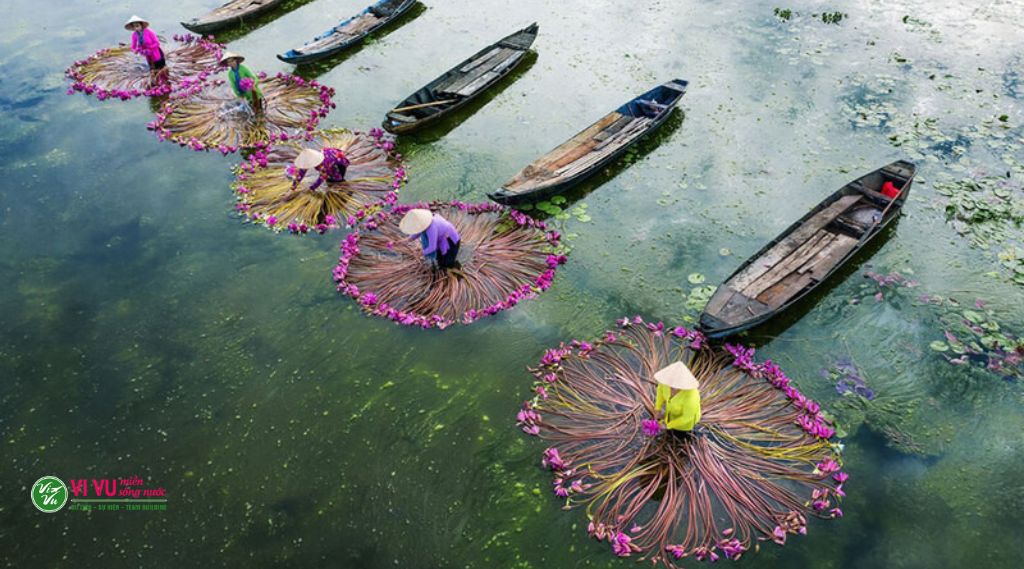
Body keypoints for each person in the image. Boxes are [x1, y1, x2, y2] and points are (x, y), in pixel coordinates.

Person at [653, 361, 701, 432]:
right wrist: (658, 409)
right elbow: (660, 393)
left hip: (685, 424)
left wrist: (667, 425)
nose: (671, 388)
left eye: (675, 386)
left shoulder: (692, 396)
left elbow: (687, 417)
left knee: (680, 435)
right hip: (671, 413)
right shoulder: (666, 382)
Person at [124, 15, 167, 83]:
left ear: (141, 25)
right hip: (147, 54)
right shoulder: (134, 35)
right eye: (134, 26)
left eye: (137, 26)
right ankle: (156, 81)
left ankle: (164, 81)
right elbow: (133, 46)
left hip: (156, 53)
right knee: (152, 68)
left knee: (161, 67)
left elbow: (157, 43)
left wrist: (149, 48)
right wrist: (135, 50)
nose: (136, 28)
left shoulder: (149, 32)